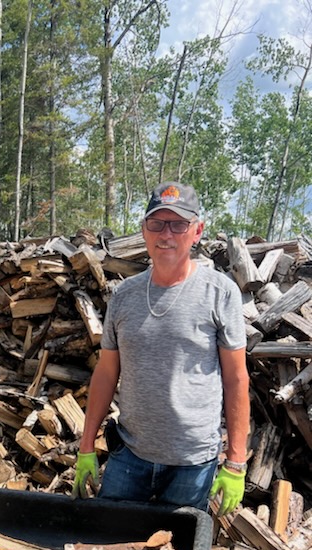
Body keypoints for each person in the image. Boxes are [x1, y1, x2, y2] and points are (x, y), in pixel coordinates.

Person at [73, 182, 250, 515]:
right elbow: (107, 373)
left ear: (197, 231)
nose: (166, 234)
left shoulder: (220, 293)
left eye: (178, 224)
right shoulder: (124, 296)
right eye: (157, 223)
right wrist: (86, 447)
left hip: (193, 464)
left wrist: (236, 461)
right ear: (144, 230)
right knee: (108, 546)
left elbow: (236, 380)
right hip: (130, 455)